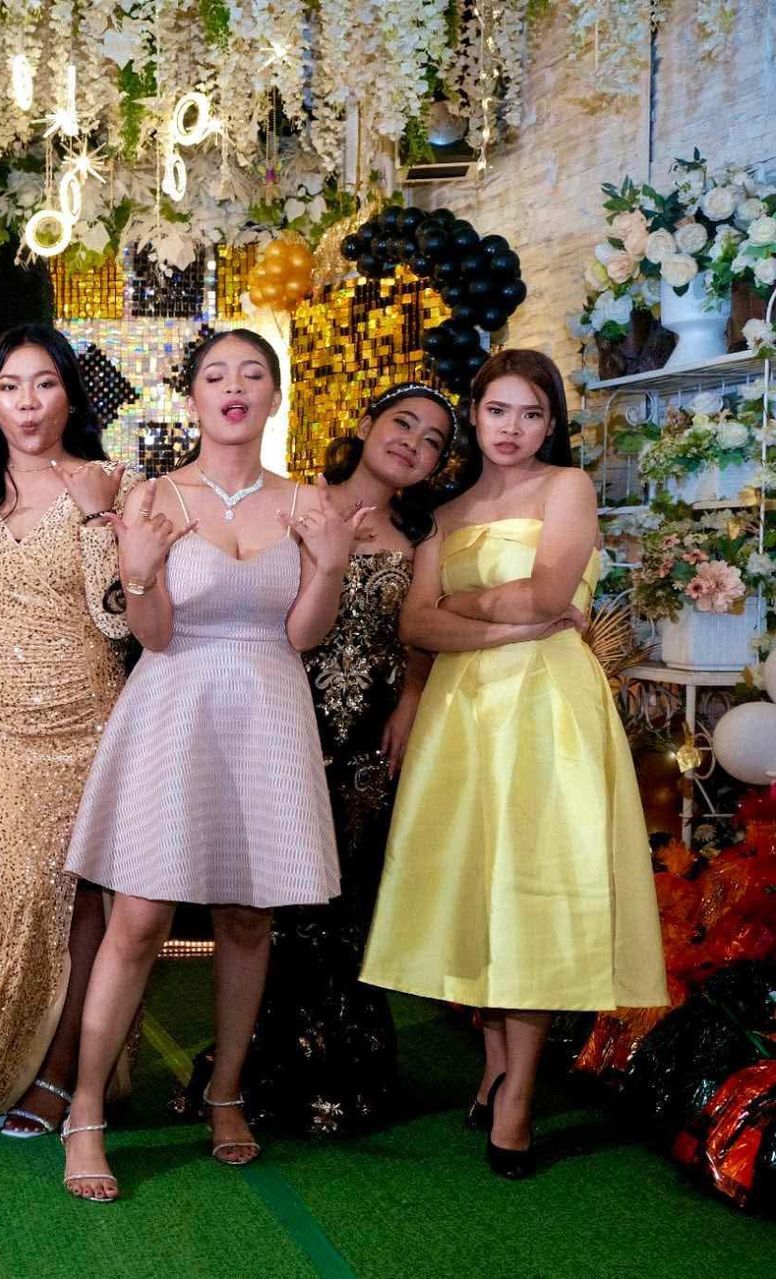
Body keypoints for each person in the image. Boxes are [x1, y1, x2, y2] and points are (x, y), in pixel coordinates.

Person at [59, 330, 365, 1201]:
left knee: (247, 917)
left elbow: (303, 635)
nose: (234, 389)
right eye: (216, 376)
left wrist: (333, 563)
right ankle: (87, 1108)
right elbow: (150, 635)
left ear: (273, 397)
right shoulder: (154, 496)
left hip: (267, 706)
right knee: (141, 917)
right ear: (191, 398)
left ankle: (226, 1090)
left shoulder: (309, 502)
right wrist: (144, 573)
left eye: (253, 375)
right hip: (174, 703)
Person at [362, 349, 669, 1178]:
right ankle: (495, 1063)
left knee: (530, 889)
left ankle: (520, 1097)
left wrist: (470, 606)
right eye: (498, 410)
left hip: (546, 713)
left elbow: (547, 592)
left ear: (552, 422)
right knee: (478, 887)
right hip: (463, 716)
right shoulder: (447, 509)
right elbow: (418, 628)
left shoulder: (567, 488)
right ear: (476, 413)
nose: (513, 428)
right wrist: (499, 619)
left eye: (531, 414)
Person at [173, 382, 456, 1135]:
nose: (412, 444)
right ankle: (251, 1067)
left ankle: (340, 1069)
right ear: (365, 423)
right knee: (271, 899)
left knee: (345, 900)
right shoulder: (298, 502)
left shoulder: (421, 535)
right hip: (282, 716)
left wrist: (410, 702)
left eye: (431, 440)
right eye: (402, 423)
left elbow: (417, 634)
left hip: (368, 732)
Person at [0, 325, 136, 1138]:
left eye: (44, 383)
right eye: (10, 385)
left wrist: (95, 523)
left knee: (81, 899)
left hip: (87, 716)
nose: (27, 402)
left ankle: (60, 1074)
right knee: (15, 898)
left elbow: (116, 618)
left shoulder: (106, 484)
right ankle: (7, 1057)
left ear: (70, 396)